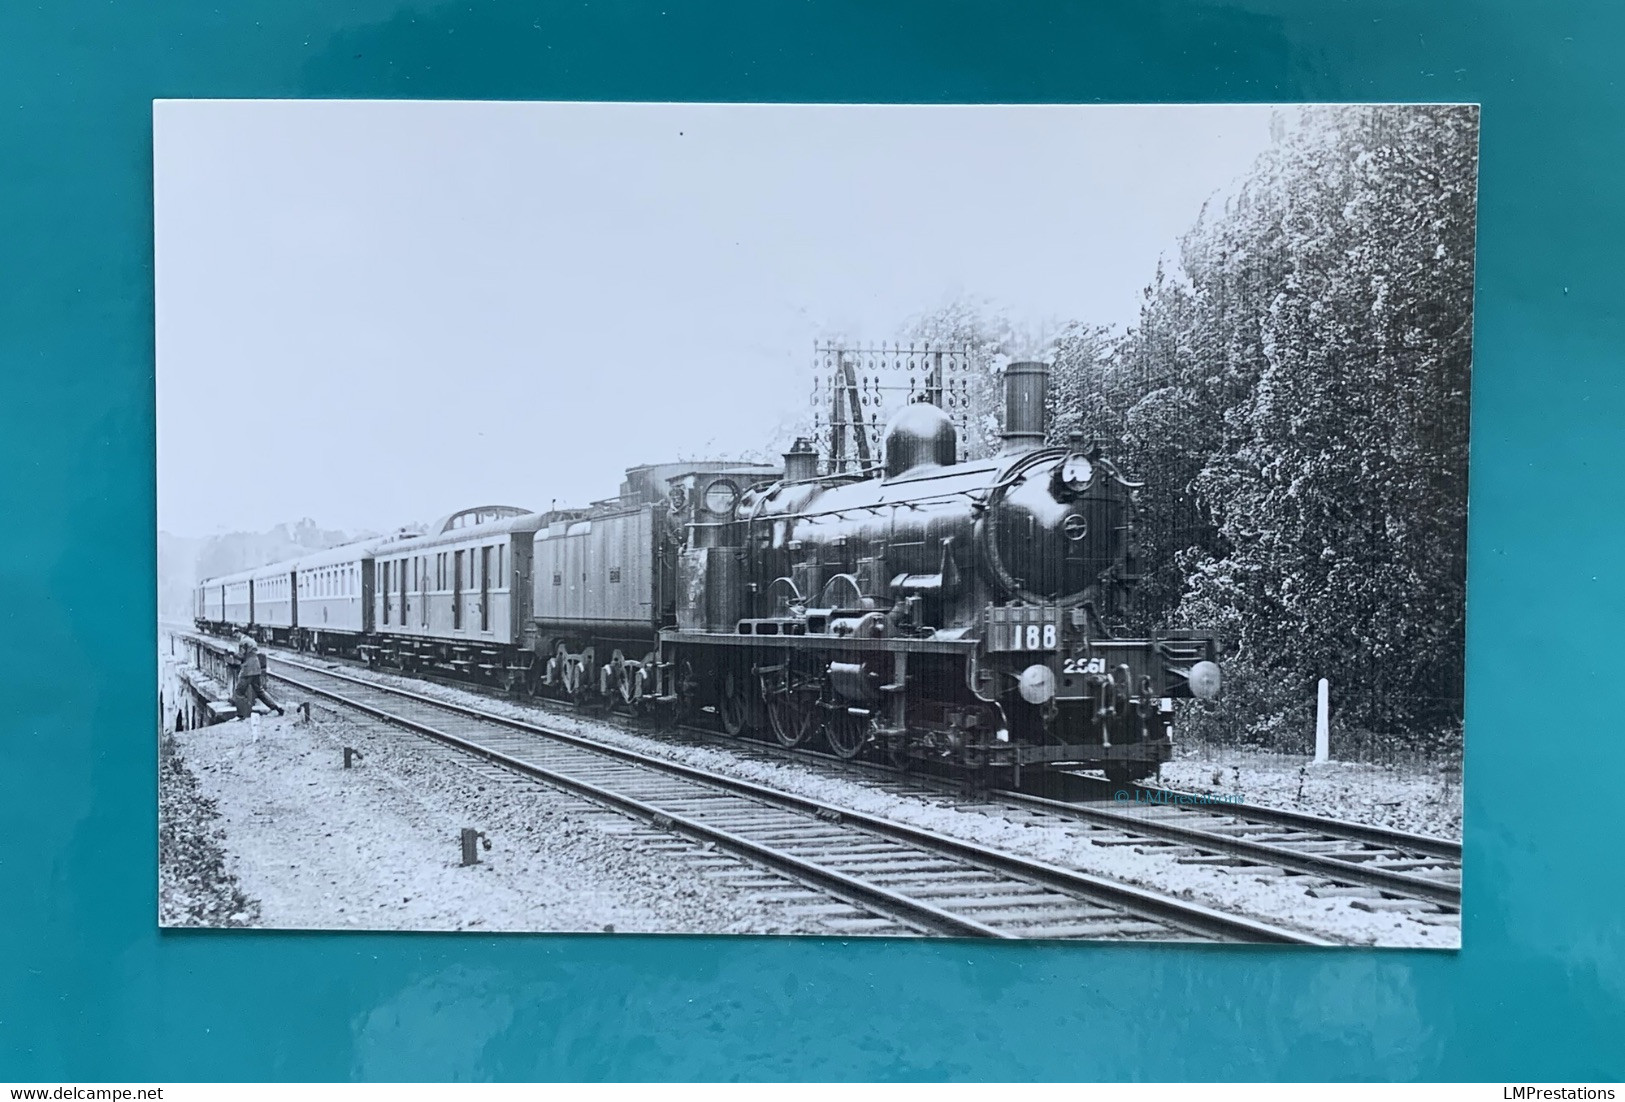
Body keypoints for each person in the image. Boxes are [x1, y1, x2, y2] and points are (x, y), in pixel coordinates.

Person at [237, 637, 285, 717]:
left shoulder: (243, 642)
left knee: (239, 692)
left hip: (247, 670)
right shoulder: (252, 641)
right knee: (260, 691)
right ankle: (276, 708)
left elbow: (242, 655)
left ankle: (241, 714)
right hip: (256, 668)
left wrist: (231, 653)